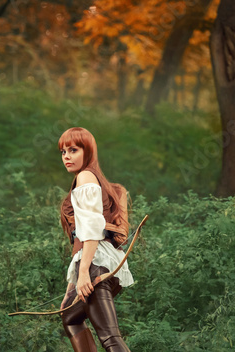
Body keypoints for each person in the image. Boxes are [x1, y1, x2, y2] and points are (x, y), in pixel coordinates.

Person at [58, 127, 133, 352]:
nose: (67, 156)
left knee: (110, 337)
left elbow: (91, 229)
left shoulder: (85, 176)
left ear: (88, 151)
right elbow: (80, 239)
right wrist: (71, 288)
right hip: (102, 265)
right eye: (63, 152)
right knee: (70, 317)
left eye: (73, 150)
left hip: (95, 268)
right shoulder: (90, 179)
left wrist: (83, 274)